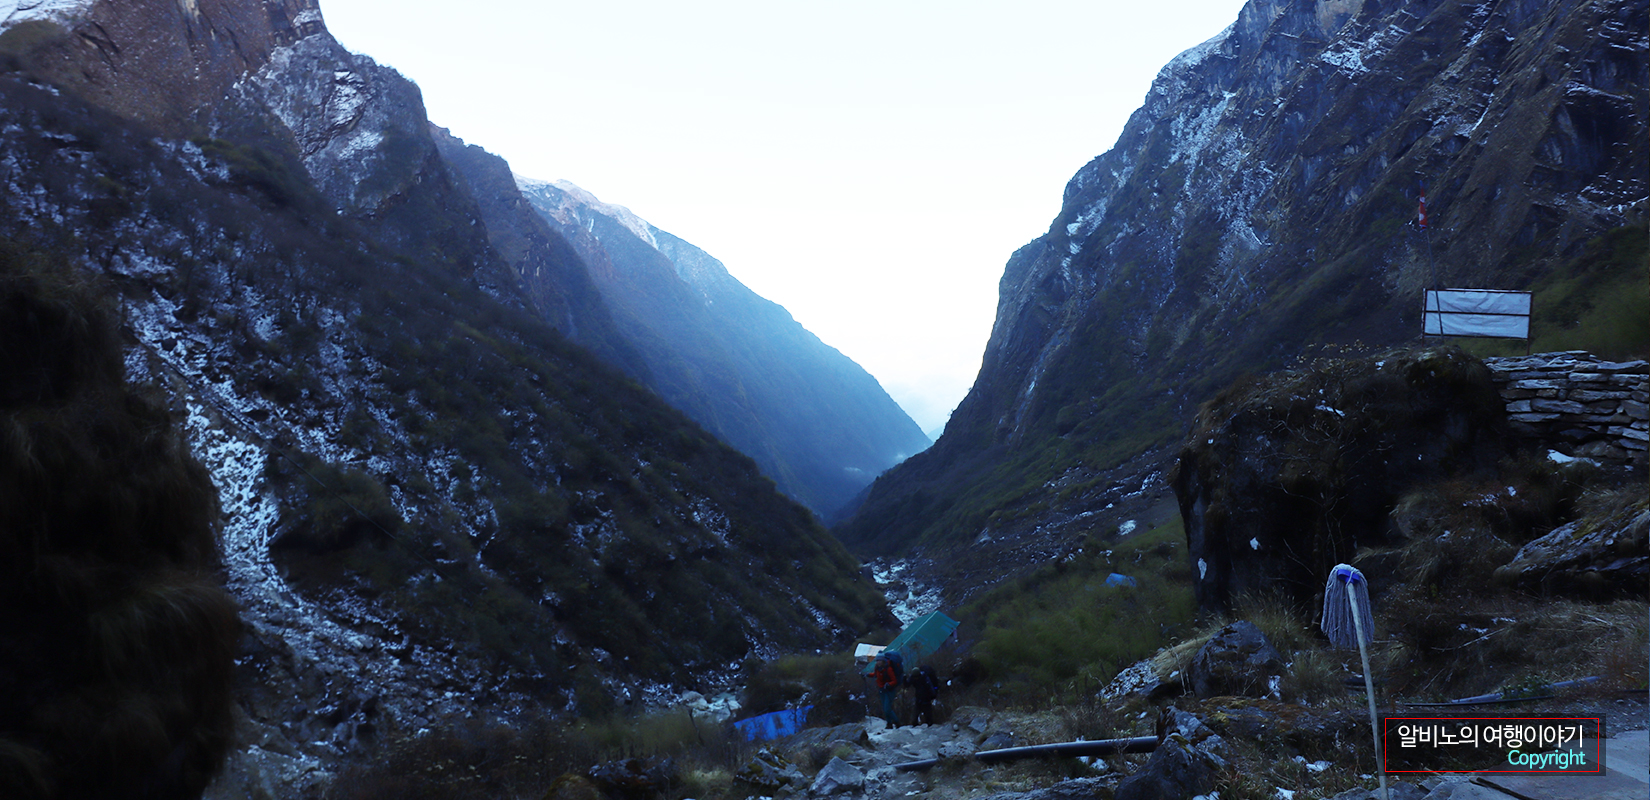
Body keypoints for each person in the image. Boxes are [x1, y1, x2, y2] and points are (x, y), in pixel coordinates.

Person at [872, 654, 901, 728]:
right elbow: (875, 675)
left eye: (879, 660)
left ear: (883, 661)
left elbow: (894, 681)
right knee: (885, 709)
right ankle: (889, 724)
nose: (878, 662)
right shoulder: (877, 668)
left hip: (889, 690)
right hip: (882, 690)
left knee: (887, 709)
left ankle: (897, 722)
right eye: (877, 660)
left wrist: (889, 684)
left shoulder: (888, 669)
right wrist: (867, 674)